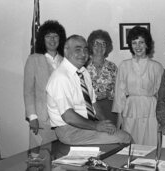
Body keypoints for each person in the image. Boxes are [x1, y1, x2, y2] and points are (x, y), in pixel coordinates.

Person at [46, 35, 131, 145]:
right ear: (66, 51)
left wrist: (106, 124)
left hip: (86, 126)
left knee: (118, 134)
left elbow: (94, 104)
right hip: (70, 130)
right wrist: (97, 126)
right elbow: (68, 117)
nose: (83, 54)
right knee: (125, 137)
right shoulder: (60, 77)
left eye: (85, 49)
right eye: (77, 50)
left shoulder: (83, 72)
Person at [112, 26, 164, 145]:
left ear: (147, 44)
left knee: (151, 143)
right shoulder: (124, 66)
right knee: (131, 144)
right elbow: (119, 95)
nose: (138, 46)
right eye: (134, 43)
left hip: (151, 110)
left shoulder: (157, 67)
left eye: (141, 42)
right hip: (130, 109)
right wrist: (119, 123)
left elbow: (161, 95)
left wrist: (162, 119)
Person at [24, 20, 66, 148]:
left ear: (60, 39)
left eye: (55, 36)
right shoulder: (33, 59)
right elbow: (28, 91)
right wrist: (32, 117)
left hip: (64, 119)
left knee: (61, 157)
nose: (52, 40)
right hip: (42, 120)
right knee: (40, 159)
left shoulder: (66, 61)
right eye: (48, 36)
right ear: (43, 39)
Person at [86, 30, 118, 125]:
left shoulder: (112, 67)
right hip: (89, 108)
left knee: (111, 136)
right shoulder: (83, 66)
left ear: (107, 47)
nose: (100, 47)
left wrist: (108, 94)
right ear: (91, 46)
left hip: (109, 107)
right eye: (96, 44)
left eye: (103, 44)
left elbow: (119, 91)